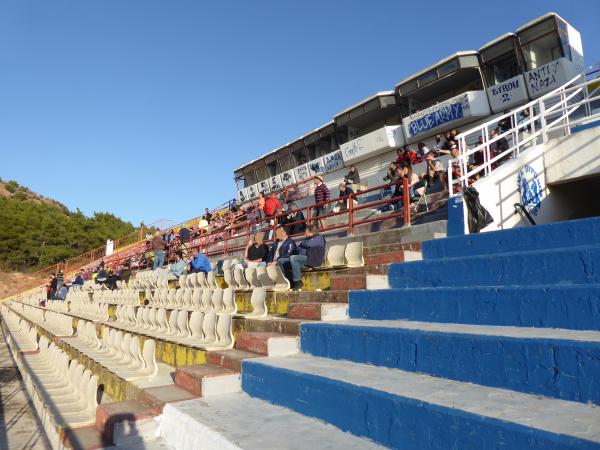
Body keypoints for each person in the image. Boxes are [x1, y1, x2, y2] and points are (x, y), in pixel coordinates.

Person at [286, 225, 326, 290]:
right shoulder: (307, 239)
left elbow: (308, 244)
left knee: (293, 258)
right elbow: (298, 249)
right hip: (303, 259)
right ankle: (290, 281)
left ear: (311, 232)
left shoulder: (319, 238)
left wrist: (303, 244)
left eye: (306, 231)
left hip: (313, 260)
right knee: (282, 261)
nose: (305, 233)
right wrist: (303, 245)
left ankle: (298, 282)